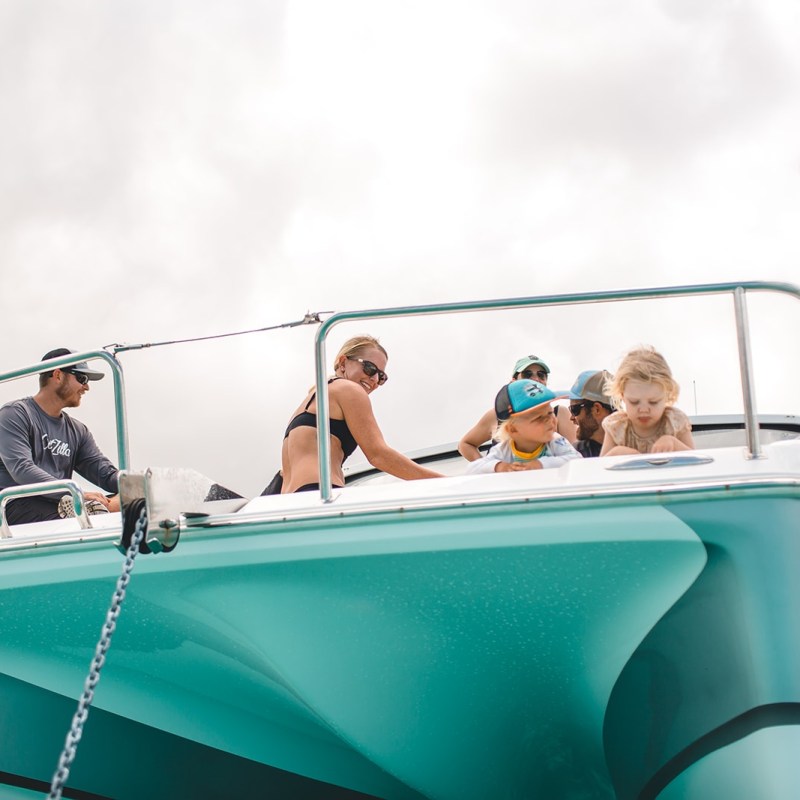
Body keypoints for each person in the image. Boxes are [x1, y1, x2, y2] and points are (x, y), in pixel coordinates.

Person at [274, 335, 443, 493]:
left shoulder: (312, 400)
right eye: (370, 368)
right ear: (343, 363)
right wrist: (445, 483)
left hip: (289, 502)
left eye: (382, 376)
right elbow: (378, 455)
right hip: (321, 493)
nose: (375, 379)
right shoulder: (349, 389)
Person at [0, 348, 120, 525]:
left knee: (133, 503)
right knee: (94, 513)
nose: (86, 387)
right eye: (82, 378)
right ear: (57, 375)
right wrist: (78, 495)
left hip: (62, 503)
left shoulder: (78, 431)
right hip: (15, 507)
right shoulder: (14, 414)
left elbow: (105, 474)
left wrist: (135, 485)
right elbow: (22, 469)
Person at [458, 355, 576, 462]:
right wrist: (494, 470)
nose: (535, 379)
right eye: (527, 374)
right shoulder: (496, 416)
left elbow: (574, 460)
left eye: (541, 375)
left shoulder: (560, 414)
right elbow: (465, 444)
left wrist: (542, 466)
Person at [466, 380, 581, 474]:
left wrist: (541, 464)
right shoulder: (504, 450)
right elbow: (472, 469)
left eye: (550, 413)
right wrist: (499, 466)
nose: (549, 420)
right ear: (512, 429)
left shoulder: (555, 441)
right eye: (539, 418)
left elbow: (577, 460)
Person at [600, 346, 694, 456]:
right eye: (634, 402)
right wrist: (615, 453)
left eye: (653, 402)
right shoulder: (616, 428)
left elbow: (697, 462)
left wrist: (674, 444)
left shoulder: (676, 422)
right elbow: (601, 469)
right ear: (622, 396)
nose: (644, 410)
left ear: (667, 395)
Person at [567, 369, 615, 458]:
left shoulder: (578, 454)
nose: (572, 418)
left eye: (574, 410)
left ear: (597, 409)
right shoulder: (639, 444)